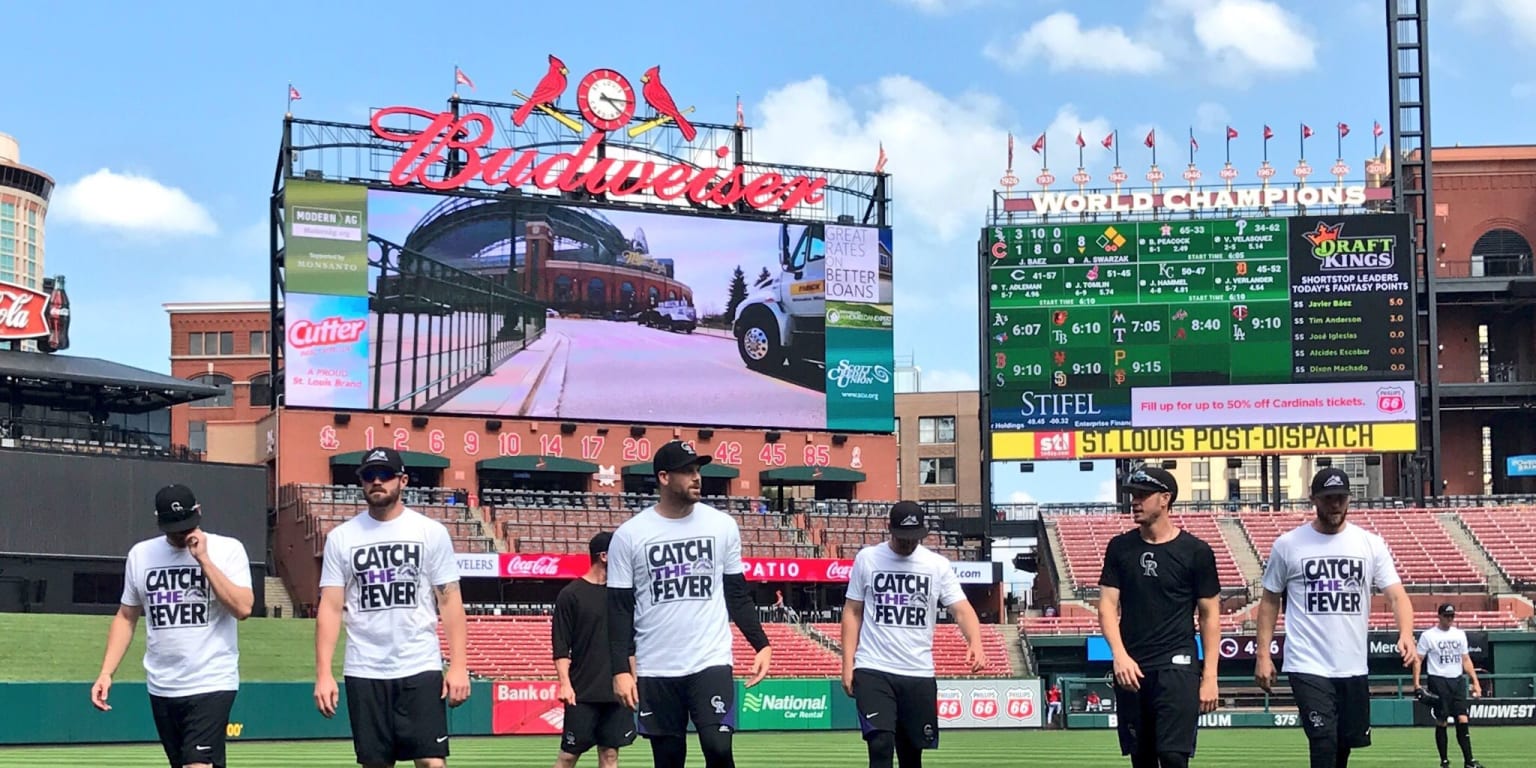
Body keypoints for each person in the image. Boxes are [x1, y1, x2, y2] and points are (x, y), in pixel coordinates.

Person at [606, 440, 772, 768]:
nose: (697, 478)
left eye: (698, 470)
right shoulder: (629, 535)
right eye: (688, 471)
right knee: (668, 760)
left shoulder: (721, 525)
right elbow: (619, 609)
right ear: (664, 477)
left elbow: (736, 592)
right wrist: (620, 670)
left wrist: (760, 643)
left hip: (710, 660)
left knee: (718, 748)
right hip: (657, 666)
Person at [313, 447, 471, 768]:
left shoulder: (430, 532)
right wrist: (323, 674)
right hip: (364, 668)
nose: (376, 482)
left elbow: (450, 601)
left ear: (403, 481)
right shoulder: (342, 538)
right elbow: (330, 607)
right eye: (368, 476)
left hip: (419, 664)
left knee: (431, 762)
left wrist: (458, 665)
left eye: (384, 475)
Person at [1255, 466, 1417, 768]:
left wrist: (1405, 633)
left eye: (1341, 498)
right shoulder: (1289, 545)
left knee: (1343, 746)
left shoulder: (1370, 544)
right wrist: (1263, 654)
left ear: (1349, 499)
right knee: (1323, 739)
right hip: (1307, 662)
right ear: (1314, 499)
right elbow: (1269, 601)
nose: (1335, 505)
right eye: (1328, 498)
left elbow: (1397, 596)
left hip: (1352, 664)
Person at [91, 484, 254, 768]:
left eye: (186, 525)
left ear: (199, 512)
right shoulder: (141, 555)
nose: (181, 533)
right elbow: (126, 616)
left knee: (197, 763)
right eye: (173, 527)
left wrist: (203, 560)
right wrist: (106, 673)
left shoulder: (228, 549)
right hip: (162, 685)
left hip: (212, 681)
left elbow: (243, 608)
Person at [841, 500, 987, 768]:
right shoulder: (868, 558)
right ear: (890, 529)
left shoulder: (936, 565)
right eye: (903, 538)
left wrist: (975, 641)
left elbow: (962, 609)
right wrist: (847, 665)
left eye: (915, 538)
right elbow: (852, 611)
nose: (909, 544)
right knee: (880, 744)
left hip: (918, 671)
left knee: (911, 755)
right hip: (873, 667)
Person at [1097, 466, 1221, 768]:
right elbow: (1106, 606)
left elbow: (1210, 616)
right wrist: (1119, 656)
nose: (1135, 502)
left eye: (1143, 495)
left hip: (1177, 666)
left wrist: (1210, 677)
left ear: (1165, 499)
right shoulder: (1120, 548)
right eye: (1132, 495)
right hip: (1133, 668)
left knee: (1173, 757)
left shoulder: (1196, 551)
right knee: (1142, 759)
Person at [553, 532, 634, 768]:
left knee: (610, 756)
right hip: (582, 692)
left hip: (616, 690)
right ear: (605, 556)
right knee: (568, 756)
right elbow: (560, 646)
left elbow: (631, 644)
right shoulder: (570, 595)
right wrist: (565, 684)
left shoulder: (621, 595)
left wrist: (634, 679)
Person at [1412, 604, 1485, 768]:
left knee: (1462, 717)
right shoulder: (1428, 635)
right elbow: (1418, 659)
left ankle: (1469, 761)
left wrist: (1475, 681)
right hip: (1438, 679)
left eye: (1452, 616)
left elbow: (1465, 659)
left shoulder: (1459, 634)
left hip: (1457, 679)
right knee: (1442, 719)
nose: (1450, 619)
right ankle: (1444, 761)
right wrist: (1416, 684)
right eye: (1447, 616)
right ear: (1439, 616)